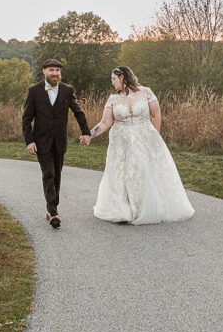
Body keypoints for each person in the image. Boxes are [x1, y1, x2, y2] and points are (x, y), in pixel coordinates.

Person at [81, 66, 194, 224]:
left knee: (143, 171)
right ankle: (124, 209)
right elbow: (105, 122)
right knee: (123, 173)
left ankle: (145, 208)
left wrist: (155, 137)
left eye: (114, 79)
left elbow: (156, 115)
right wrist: (89, 135)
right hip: (121, 141)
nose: (112, 82)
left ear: (123, 78)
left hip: (145, 137)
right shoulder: (113, 99)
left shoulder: (146, 92)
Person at [22, 59, 91, 228]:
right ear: (44, 72)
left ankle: (52, 208)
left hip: (60, 141)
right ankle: (53, 212)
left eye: (57, 71)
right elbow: (26, 119)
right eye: (51, 70)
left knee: (57, 176)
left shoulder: (67, 90)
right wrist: (29, 141)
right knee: (49, 174)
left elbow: (78, 112)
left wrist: (86, 132)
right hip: (41, 142)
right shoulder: (34, 91)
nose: (55, 73)